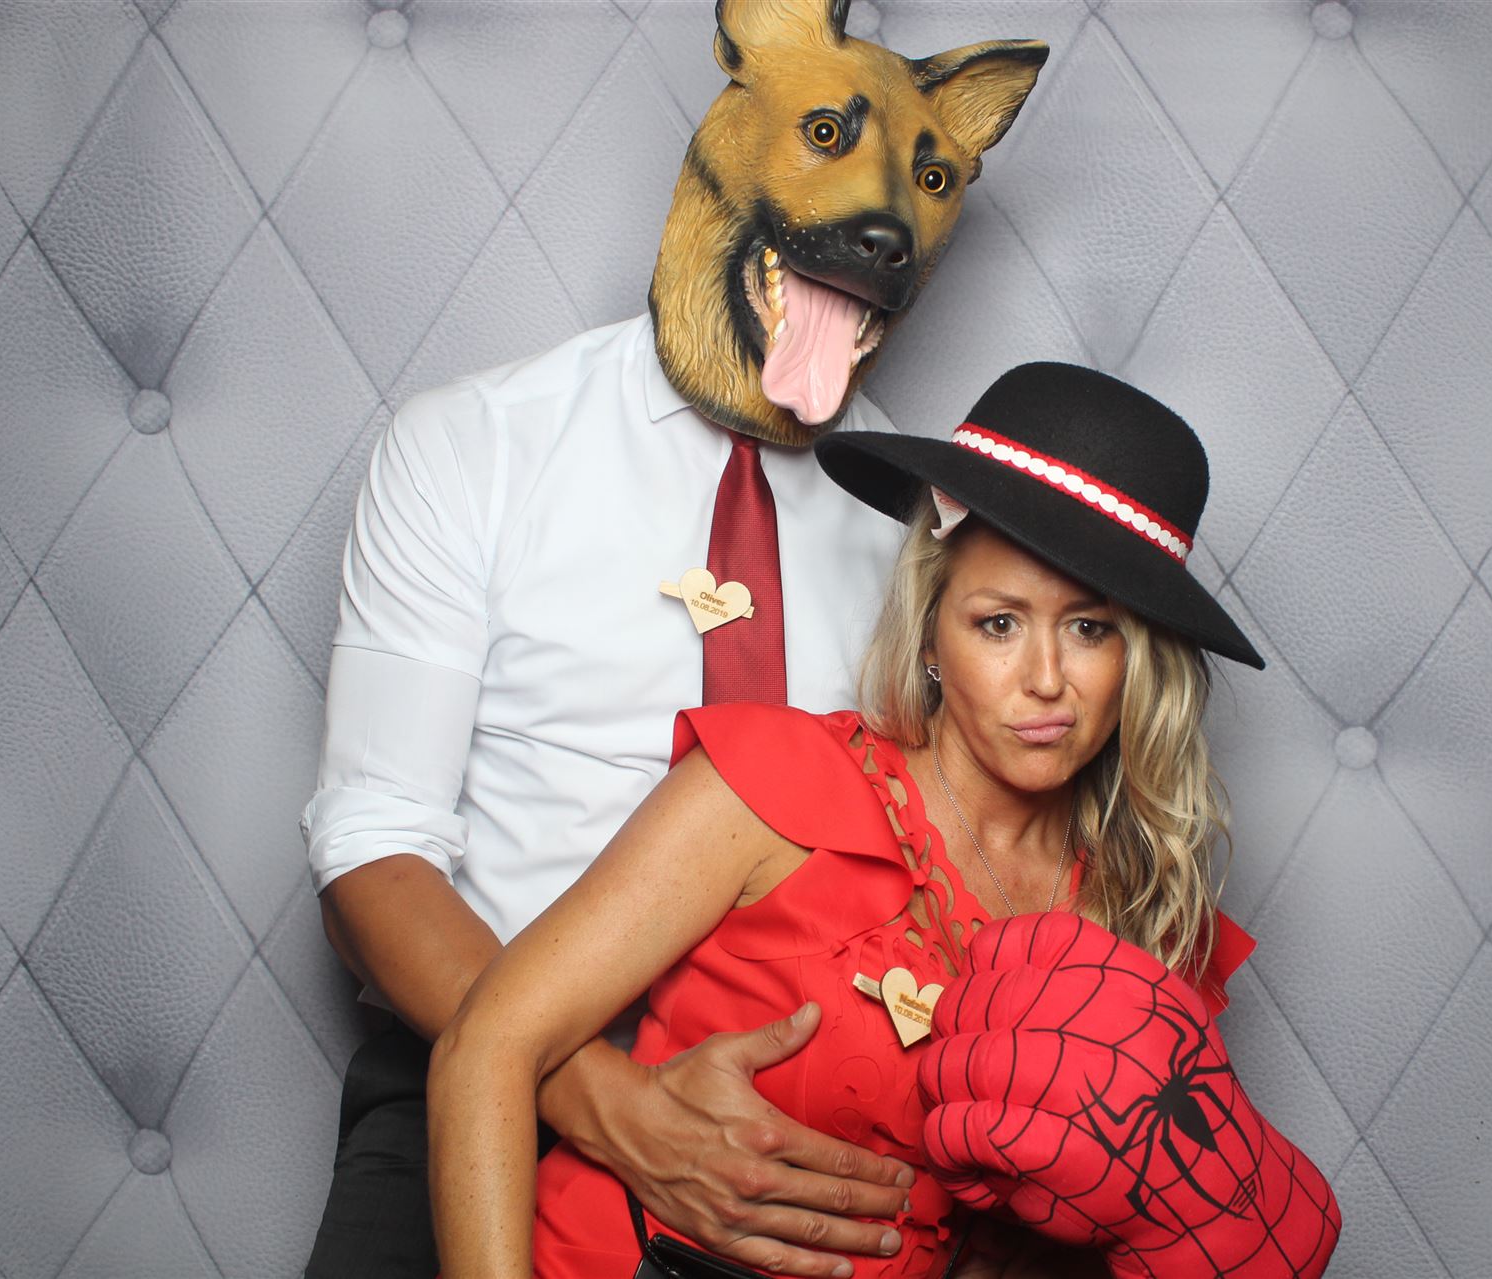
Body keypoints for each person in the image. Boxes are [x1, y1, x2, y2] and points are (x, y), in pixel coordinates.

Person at [300, 2, 1048, 1271]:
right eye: (828, 136)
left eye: (930, 180)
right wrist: (602, 1096)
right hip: (474, 1070)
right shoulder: (474, 446)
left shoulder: (928, 544)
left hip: (801, 1119)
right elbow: (373, 851)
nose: (886, 219)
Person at [428, 363, 1343, 1278]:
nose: (1046, 680)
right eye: (998, 623)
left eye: (1090, 629)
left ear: (1141, 660)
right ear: (934, 629)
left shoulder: (1144, 925)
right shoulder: (773, 787)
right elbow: (484, 1048)